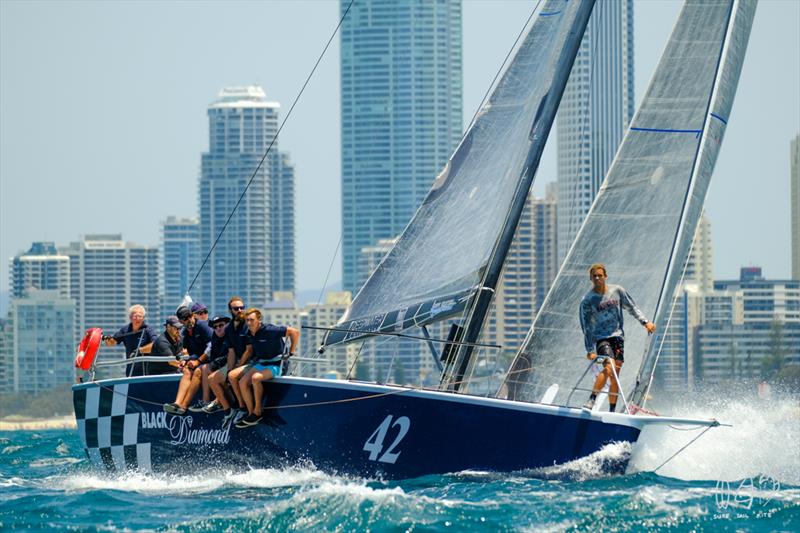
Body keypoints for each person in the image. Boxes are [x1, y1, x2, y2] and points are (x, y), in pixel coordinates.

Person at [580, 263, 656, 412]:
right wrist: (589, 350)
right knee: (609, 367)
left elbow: (631, 307)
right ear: (590, 278)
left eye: (600, 275)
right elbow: (586, 326)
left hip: (618, 338)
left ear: (605, 276)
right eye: (594, 276)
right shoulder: (587, 300)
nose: (597, 278)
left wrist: (645, 322)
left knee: (615, 374)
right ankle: (592, 400)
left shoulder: (617, 291)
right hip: (602, 340)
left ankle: (612, 411)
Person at [229, 308, 299, 428]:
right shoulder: (249, 333)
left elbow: (294, 332)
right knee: (242, 382)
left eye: (252, 320)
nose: (249, 323)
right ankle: (250, 413)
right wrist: (240, 364)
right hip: (261, 363)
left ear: (259, 320)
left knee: (256, 378)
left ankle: (258, 411)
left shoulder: (269, 329)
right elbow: (249, 350)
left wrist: (291, 352)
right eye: (247, 320)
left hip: (276, 364)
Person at [163, 305, 213, 415]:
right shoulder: (184, 333)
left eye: (190, 316)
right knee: (186, 370)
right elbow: (186, 351)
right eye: (185, 319)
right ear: (181, 321)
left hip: (210, 360)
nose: (189, 320)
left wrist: (198, 361)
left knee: (198, 371)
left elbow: (211, 347)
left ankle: (183, 406)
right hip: (198, 361)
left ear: (192, 315)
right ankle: (177, 403)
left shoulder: (203, 326)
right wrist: (184, 361)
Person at [105, 304, 157, 377]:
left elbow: (156, 344)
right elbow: (113, 342)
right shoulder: (125, 330)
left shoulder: (148, 330)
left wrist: (140, 350)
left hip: (147, 372)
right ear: (130, 318)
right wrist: (108, 340)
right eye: (135, 316)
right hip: (131, 371)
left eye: (140, 316)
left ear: (143, 318)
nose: (137, 318)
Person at [202, 315, 237, 421]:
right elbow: (214, 355)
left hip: (235, 364)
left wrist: (218, 364)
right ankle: (207, 402)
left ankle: (228, 408)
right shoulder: (215, 337)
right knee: (205, 368)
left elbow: (233, 354)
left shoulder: (231, 334)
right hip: (224, 365)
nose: (218, 328)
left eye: (221, 325)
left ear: (226, 325)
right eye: (215, 327)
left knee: (213, 378)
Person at [223, 296, 249, 412]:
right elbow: (231, 351)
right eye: (236, 308)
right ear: (230, 311)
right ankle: (228, 407)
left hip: (251, 361)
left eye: (241, 308)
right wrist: (229, 369)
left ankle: (242, 407)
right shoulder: (228, 328)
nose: (239, 310)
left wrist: (238, 366)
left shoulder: (248, 325)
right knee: (225, 377)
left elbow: (250, 350)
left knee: (233, 376)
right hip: (239, 361)